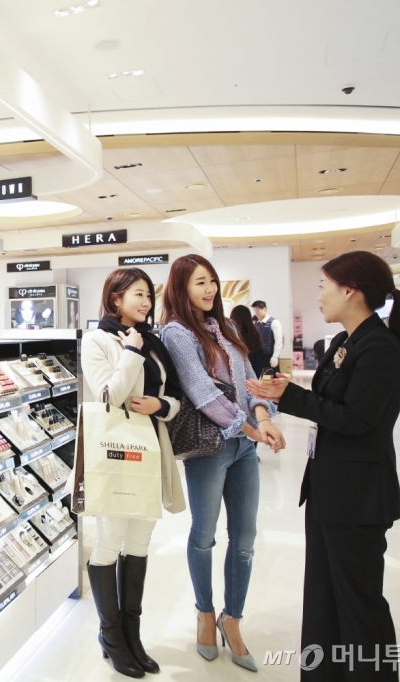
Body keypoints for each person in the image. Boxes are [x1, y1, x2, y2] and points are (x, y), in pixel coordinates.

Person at [246, 251, 400, 682]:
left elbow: (357, 418)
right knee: (323, 596)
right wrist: (286, 390)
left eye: (323, 286)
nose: (319, 295)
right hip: (329, 487)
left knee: (359, 604)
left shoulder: (380, 347)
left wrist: (290, 396)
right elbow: (330, 402)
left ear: (350, 290)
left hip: (358, 495)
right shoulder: (345, 341)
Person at [160, 254, 283, 672]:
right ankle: (205, 613)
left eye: (211, 280)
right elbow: (201, 393)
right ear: (181, 287)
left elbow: (248, 381)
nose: (209, 288)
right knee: (204, 535)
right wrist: (248, 428)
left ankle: (233, 619)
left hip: (244, 447)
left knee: (245, 538)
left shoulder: (225, 326)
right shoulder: (177, 332)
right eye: (199, 282)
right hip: (210, 448)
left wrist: (263, 418)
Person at [82, 268, 186, 678]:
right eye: (137, 294)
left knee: (140, 542)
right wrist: (130, 350)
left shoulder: (153, 341)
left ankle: (131, 634)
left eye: (148, 295)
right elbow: (109, 396)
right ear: (115, 299)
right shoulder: (98, 340)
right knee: (110, 540)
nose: (145, 302)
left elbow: (174, 397)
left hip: (152, 449)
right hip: (117, 454)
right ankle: (110, 636)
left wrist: (162, 407)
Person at [230, 305, 268, 377]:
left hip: (237, 376)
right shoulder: (254, 335)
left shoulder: (230, 335)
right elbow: (260, 363)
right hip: (254, 376)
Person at [251, 300, 283, 370]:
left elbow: (278, 341)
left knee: (271, 375)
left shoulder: (274, 322)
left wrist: (275, 356)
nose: (256, 313)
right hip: (258, 355)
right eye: (255, 311)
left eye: (258, 310)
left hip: (269, 355)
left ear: (264, 309)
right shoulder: (255, 323)